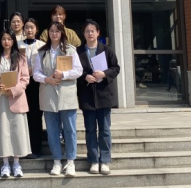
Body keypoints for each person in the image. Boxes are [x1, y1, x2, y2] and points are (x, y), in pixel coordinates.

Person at [34, 22, 82, 177]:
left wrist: (64, 75)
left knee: (70, 129)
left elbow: (79, 70)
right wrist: (46, 79)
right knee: (52, 130)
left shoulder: (70, 50)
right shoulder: (42, 52)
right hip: (48, 93)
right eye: (51, 31)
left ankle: (71, 161)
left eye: (57, 31)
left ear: (62, 33)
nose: (54, 34)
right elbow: (36, 73)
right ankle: (57, 161)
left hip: (66, 93)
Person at [77, 20, 120, 176]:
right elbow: (74, 71)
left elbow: (116, 68)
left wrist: (104, 74)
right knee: (90, 130)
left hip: (104, 95)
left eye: (92, 31)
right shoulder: (78, 52)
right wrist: (84, 77)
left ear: (98, 33)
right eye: (87, 31)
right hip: (87, 95)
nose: (90, 33)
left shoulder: (106, 50)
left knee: (105, 130)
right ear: (83, 34)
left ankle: (105, 160)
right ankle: (94, 160)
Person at [0, 30, 31, 178]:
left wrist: (14, 90)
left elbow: (25, 79)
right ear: (0, 41)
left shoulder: (20, 59)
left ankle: (17, 163)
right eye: (4, 39)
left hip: (16, 97)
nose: (6, 42)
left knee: (18, 130)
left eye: (9, 39)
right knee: (3, 130)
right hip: (1, 98)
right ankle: (5, 164)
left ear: (13, 41)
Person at [19, 18, 45, 159]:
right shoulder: (18, 45)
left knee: (35, 116)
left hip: (36, 83)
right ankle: (23, 148)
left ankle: (36, 148)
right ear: (23, 29)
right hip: (21, 84)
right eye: (27, 27)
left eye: (32, 27)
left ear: (36, 29)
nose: (29, 30)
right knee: (23, 116)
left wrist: (33, 70)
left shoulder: (42, 45)